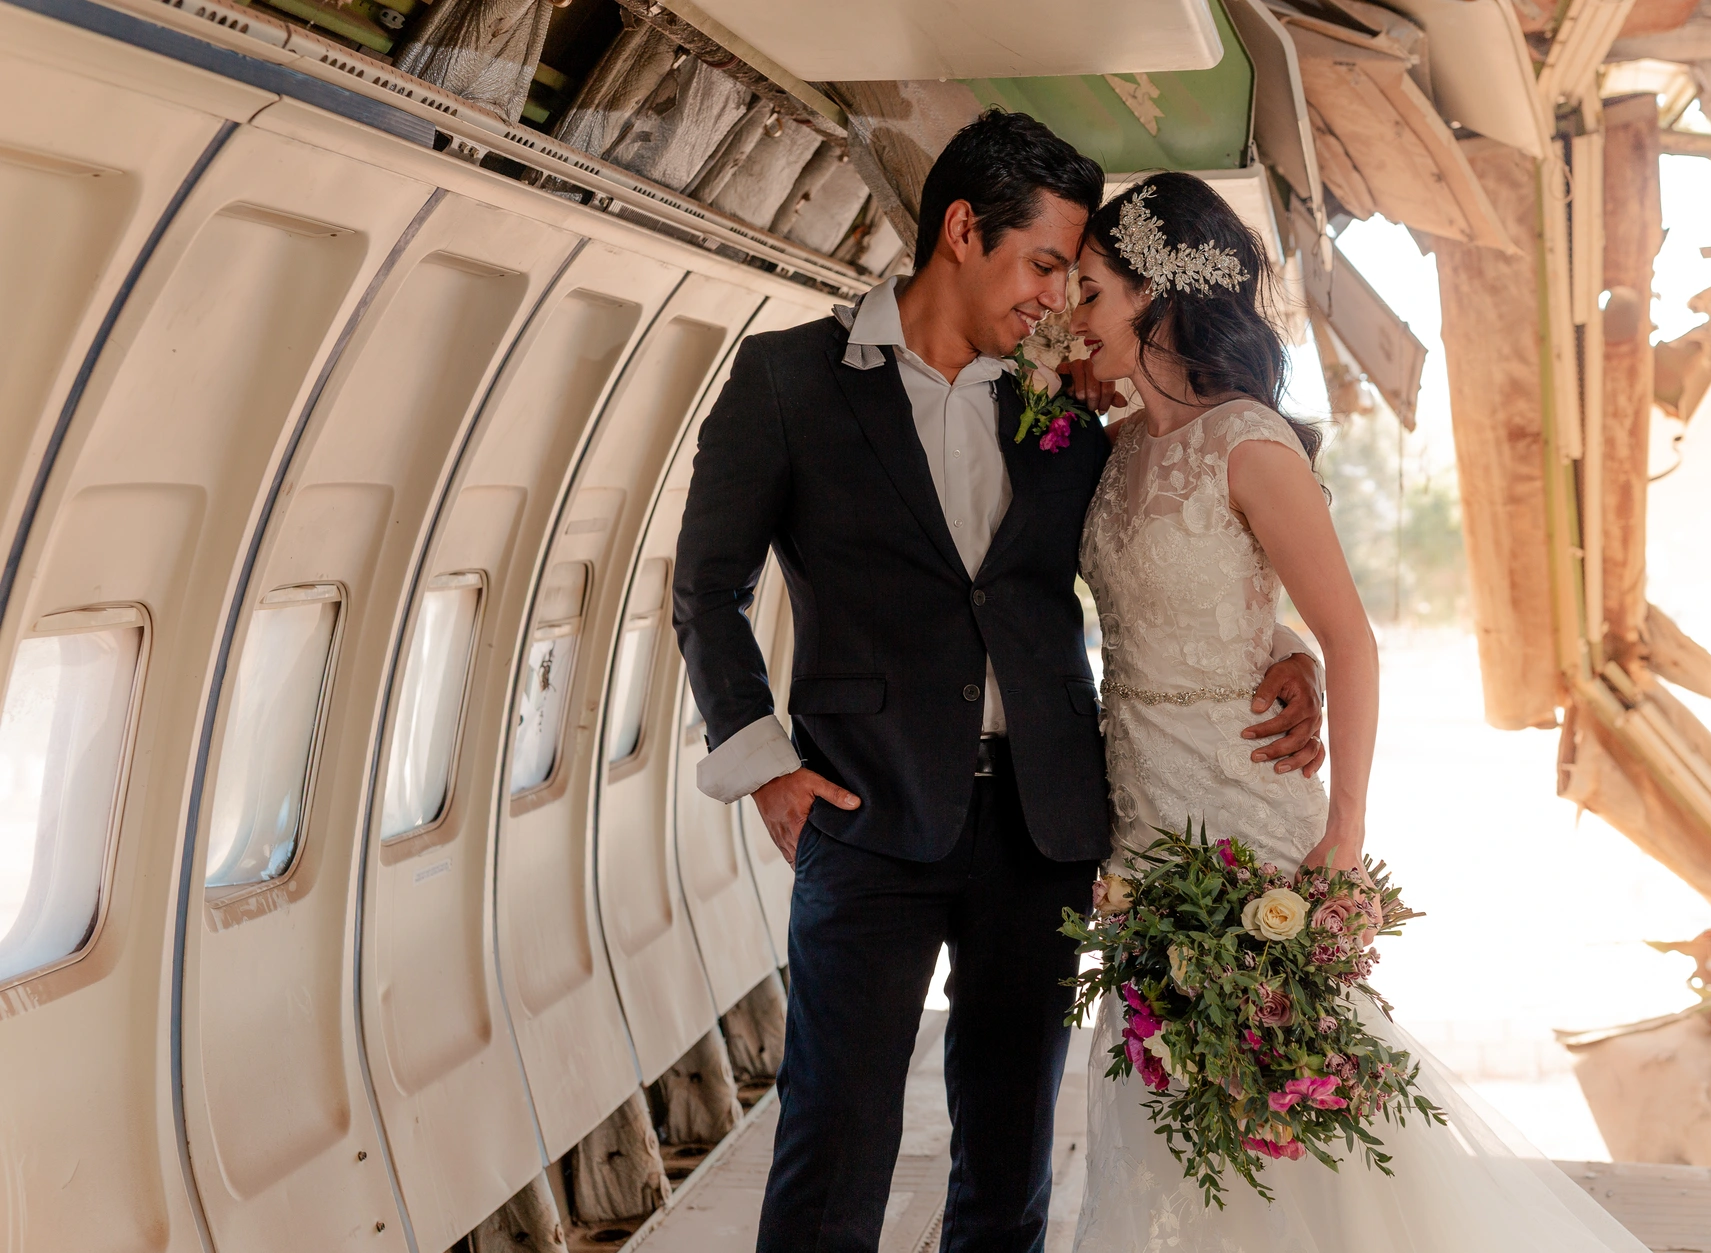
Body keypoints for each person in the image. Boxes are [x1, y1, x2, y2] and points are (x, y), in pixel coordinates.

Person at [672, 115, 1327, 1252]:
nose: (1052, 302)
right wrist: (762, 763)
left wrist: (1285, 647)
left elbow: (1181, 554)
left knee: (1010, 1151)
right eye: (1039, 268)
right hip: (863, 813)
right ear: (961, 230)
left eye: (1073, 281)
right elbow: (704, 589)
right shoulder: (787, 378)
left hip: (1045, 819)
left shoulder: (1069, 405)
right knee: (834, 1138)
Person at [1067, 171, 1648, 1252]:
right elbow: (1206, 607)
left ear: (1154, 292)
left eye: (1092, 289)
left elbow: (1349, 637)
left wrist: (1344, 830)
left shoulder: (1247, 440)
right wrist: (1273, 647)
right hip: (1140, 815)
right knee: (1167, 1090)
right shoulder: (1115, 449)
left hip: (1248, 812)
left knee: (1293, 1098)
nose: (1074, 313)